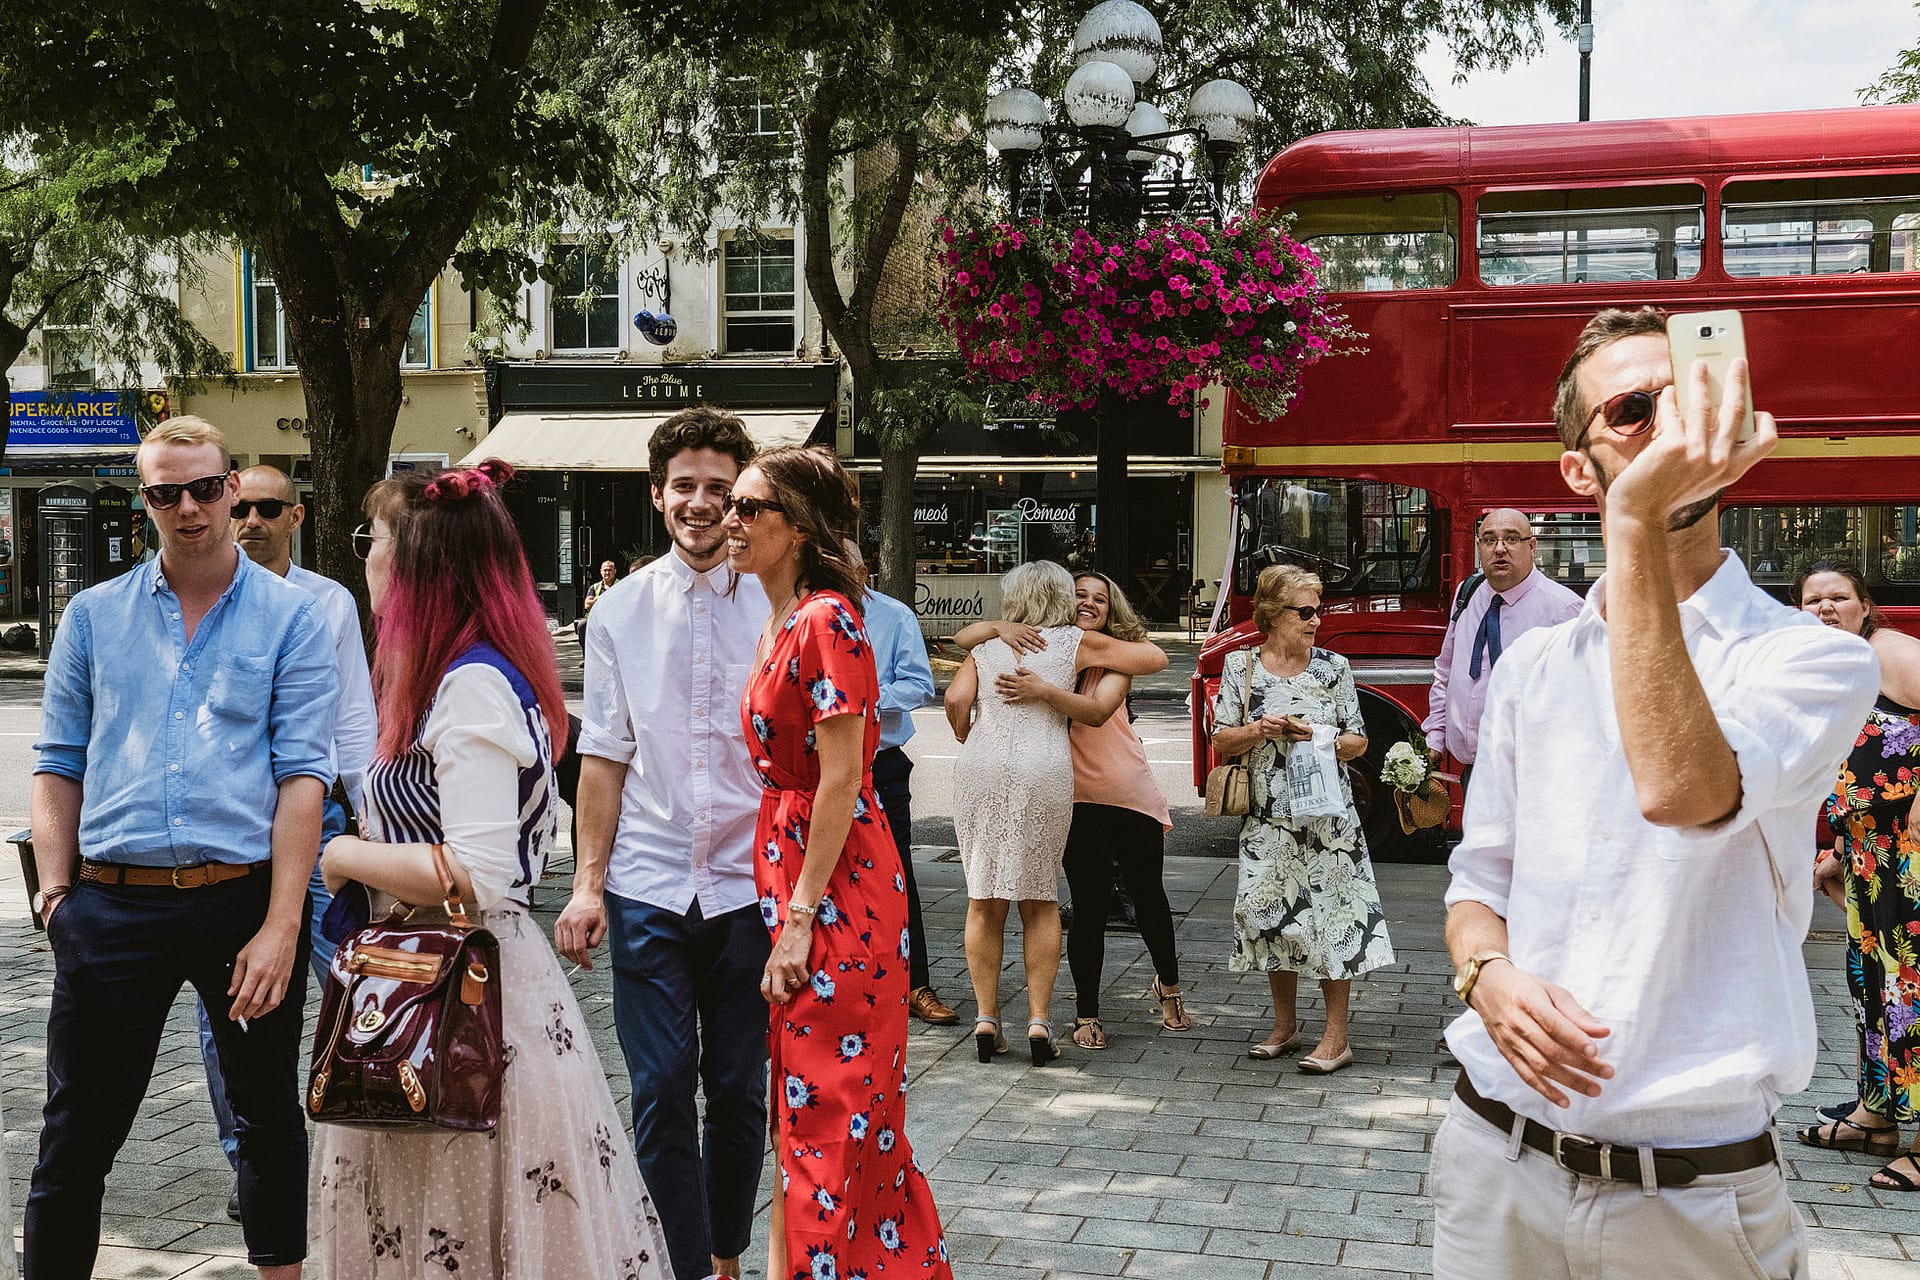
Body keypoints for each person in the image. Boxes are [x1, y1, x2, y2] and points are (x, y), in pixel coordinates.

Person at [1434, 306, 1881, 1279]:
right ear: (1578, 471)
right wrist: (1489, 979)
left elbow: (1683, 786)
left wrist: (1636, 521)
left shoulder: (1809, 656)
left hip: (1691, 1198)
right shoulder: (1535, 666)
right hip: (1495, 1163)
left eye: (1687, 397)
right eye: (1635, 408)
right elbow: (1479, 885)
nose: (1669, 425)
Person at [313, 460, 671, 1277]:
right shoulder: (459, 675)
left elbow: (481, 872)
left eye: (375, 541)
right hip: (439, 979)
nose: (364, 557)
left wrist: (342, 855)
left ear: (415, 567)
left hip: (455, 990)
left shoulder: (470, 684)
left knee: (455, 1220)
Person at [28, 416, 337, 1279]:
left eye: (206, 488)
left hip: (240, 898)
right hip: (112, 901)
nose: (191, 508)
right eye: (168, 493)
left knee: (268, 1117)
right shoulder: (93, 617)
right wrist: (57, 899)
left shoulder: (292, 617)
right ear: (145, 502)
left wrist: (283, 925)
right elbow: (56, 764)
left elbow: (304, 777)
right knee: (76, 1133)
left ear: (233, 487)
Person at [722, 445, 952, 1280]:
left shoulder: (828, 619)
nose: (732, 521)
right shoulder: (781, 620)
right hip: (800, 868)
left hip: (838, 888)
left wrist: (797, 919)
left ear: (799, 527)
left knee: (832, 1107)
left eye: (752, 508)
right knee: (807, 1106)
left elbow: (845, 782)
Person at [553, 406, 770, 1280]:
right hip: (648, 883)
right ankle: (675, 1265)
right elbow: (603, 757)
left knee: (738, 1092)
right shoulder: (620, 613)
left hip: (750, 885)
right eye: (685, 486)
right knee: (660, 1089)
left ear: (742, 501)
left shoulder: (779, 603)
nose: (702, 502)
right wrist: (585, 885)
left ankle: (725, 1254)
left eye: (720, 488)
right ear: (657, 495)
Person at [194, 463, 377, 1221]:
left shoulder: (328, 600)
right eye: (243, 506)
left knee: (355, 984)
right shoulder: (198, 597)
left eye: (270, 508)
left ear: (297, 517)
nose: (252, 520)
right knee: (230, 1004)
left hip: (324, 826)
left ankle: (350, 1148)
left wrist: (372, 819)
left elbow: (354, 718)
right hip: (235, 830)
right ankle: (254, 1160)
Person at [946, 561, 1166, 1065]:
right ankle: (1039, 1023)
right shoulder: (1072, 643)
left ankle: (985, 1018)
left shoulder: (988, 646)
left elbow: (957, 699)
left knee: (983, 895)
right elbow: (1153, 657)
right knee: (1040, 898)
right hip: (1042, 767)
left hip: (982, 765)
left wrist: (967, 736)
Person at [1209, 563, 1392, 1071]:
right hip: (1267, 817)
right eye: (1305, 611)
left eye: (1319, 609)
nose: (1317, 619)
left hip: (1328, 821)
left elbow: (1358, 743)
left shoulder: (1333, 667)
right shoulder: (1241, 667)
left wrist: (1316, 735)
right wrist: (1259, 730)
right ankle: (1285, 1027)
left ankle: (1337, 1037)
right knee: (1272, 920)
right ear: (1272, 613)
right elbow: (1221, 738)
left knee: (1335, 921)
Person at [1794, 560, 1920, 1192]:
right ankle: (1878, 1115)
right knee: (1874, 985)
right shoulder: (1832, 672)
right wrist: (1841, 848)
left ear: (1866, 605)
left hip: (1913, 852)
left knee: (1916, 989)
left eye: (1837, 596)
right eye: (1811, 600)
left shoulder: (1891, 653)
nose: (1824, 607)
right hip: (1869, 857)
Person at [845, 540, 957, 1025]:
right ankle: (847, 985)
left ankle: (916, 984)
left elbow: (919, 684)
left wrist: (862, 695)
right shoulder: (801, 613)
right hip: (818, 768)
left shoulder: (892, 616)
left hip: (880, 762)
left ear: (863, 570)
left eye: (841, 565)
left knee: (896, 873)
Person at [1422, 508, 1581, 787]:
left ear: (1531, 546)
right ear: (1478, 547)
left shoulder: (1564, 609)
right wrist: (1435, 737)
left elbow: (1581, 700)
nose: (1499, 549)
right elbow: (1446, 670)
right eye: (1489, 539)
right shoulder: (1467, 593)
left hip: (1534, 777)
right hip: (1473, 772)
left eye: (1511, 539)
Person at [575, 558, 619, 646]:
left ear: (615, 571)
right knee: (582, 626)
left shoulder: (620, 585)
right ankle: (586, 656)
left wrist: (595, 600)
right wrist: (600, 598)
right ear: (601, 571)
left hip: (615, 619)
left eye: (610, 570)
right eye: (605, 570)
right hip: (596, 619)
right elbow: (587, 605)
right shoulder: (594, 587)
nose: (607, 573)